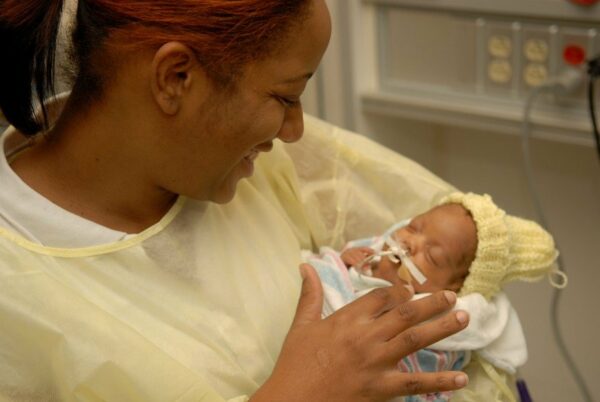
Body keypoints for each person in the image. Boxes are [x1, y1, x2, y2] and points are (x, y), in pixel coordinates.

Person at [0, 1, 476, 401]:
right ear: (175, 77)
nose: (295, 131)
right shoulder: (17, 300)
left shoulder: (239, 166)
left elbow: (461, 228)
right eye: (286, 97)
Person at [305, 192, 565, 402]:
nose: (410, 242)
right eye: (413, 227)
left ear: (451, 289)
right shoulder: (372, 251)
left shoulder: (433, 321)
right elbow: (324, 269)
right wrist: (347, 260)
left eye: (432, 257)